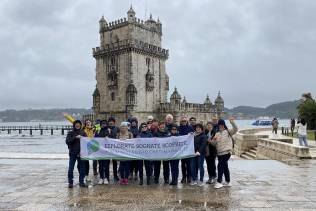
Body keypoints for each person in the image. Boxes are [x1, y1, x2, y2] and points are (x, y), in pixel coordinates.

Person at [210, 117, 238, 189]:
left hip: (227, 152)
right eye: (219, 125)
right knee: (225, 167)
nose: (220, 126)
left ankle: (219, 182)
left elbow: (236, 129)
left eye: (222, 124)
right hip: (219, 153)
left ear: (224, 125)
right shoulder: (217, 134)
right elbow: (213, 144)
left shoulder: (228, 131)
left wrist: (232, 122)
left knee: (220, 166)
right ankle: (228, 181)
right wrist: (212, 141)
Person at [66, 120, 87, 188]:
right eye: (76, 124)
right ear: (74, 125)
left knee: (82, 168)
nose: (77, 125)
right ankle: (70, 182)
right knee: (71, 168)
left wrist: (83, 138)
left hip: (81, 153)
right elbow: (67, 141)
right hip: (72, 153)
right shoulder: (70, 133)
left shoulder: (83, 133)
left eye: (79, 124)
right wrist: (75, 138)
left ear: (80, 125)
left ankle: (81, 181)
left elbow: (87, 142)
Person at [179, 117, 194, 184]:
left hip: (188, 148)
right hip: (182, 149)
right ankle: (184, 177)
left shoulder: (190, 127)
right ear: (181, 121)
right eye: (182, 121)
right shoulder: (179, 128)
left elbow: (193, 135)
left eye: (185, 121)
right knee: (183, 164)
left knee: (189, 164)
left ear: (187, 121)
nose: (184, 122)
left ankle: (189, 177)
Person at [95, 119, 110, 185]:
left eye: (105, 123)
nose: (103, 125)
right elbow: (95, 139)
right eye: (102, 124)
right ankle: (101, 178)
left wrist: (108, 137)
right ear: (100, 125)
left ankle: (106, 178)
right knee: (100, 165)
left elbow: (112, 138)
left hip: (107, 151)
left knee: (106, 165)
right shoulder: (98, 131)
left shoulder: (109, 130)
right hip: (100, 151)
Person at [108, 117, 120, 182]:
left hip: (115, 147)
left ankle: (115, 175)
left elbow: (119, 136)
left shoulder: (117, 128)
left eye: (112, 121)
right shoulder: (106, 128)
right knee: (106, 163)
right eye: (110, 121)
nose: (111, 122)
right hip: (107, 148)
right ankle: (106, 176)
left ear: (114, 122)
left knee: (115, 163)